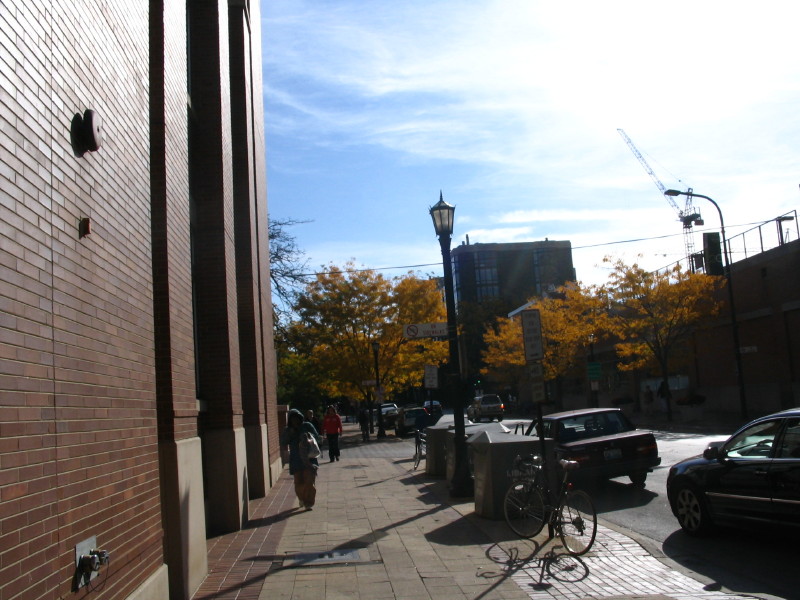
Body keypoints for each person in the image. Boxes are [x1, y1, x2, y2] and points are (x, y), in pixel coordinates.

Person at [280, 408, 319, 510]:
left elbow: (317, 437)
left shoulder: (307, 426)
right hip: (296, 460)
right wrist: (290, 433)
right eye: (292, 419)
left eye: (296, 418)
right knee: (299, 483)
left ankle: (309, 503)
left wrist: (308, 436)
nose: (295, 421)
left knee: (309, 482)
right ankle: (302, 498)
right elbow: (283, 442)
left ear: (300, 418)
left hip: (309, 459)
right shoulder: (288, 430)